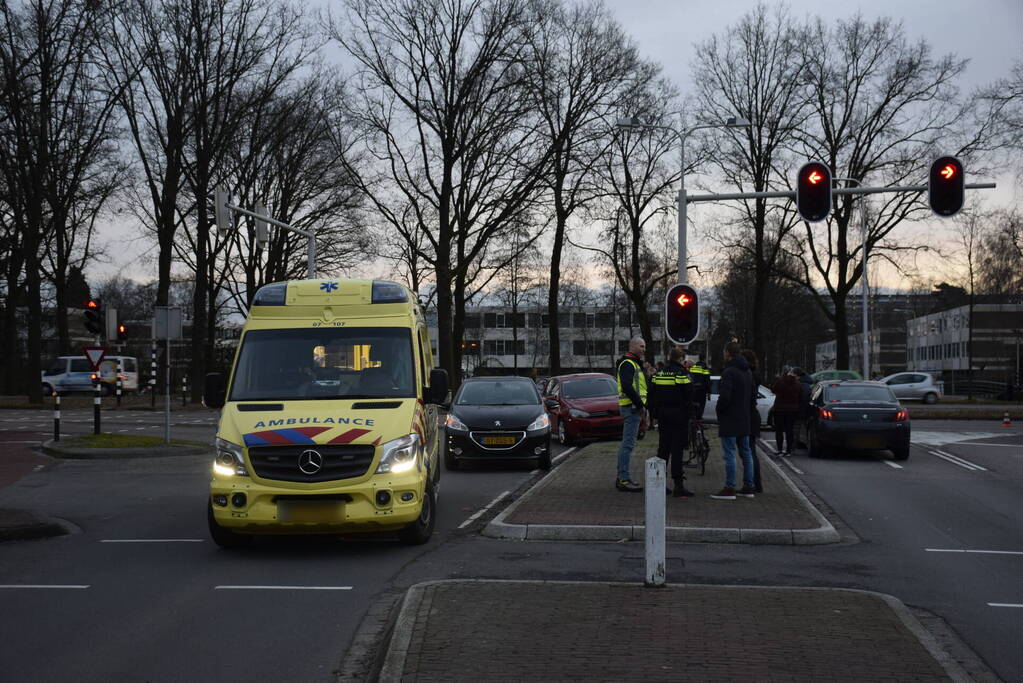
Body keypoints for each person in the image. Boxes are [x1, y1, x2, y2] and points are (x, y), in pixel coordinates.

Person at [711, 342, 756, 500]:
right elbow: (752, 396)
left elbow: (725, 396)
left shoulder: (729, 372)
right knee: (746, 453)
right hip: (744, 418)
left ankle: (730, 487)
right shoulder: (748, 371)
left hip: (730, 418)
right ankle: (749, 486)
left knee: (729, 453)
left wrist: (719, 410)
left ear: (728, 353)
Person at [649, 346, 695, 498]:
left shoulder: (659, 373)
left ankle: (659, 483)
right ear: (681, 359)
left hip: (663, 416)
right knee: (677, 451)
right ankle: (678, 486)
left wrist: (655, 413)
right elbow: (689, 395)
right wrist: (689, 413)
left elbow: (652, 394)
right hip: (679, 417)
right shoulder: (682, 374)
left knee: (663, 449)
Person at [614, 336, 648, 492]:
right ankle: (623, 479)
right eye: (641, 346)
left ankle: (622, 477)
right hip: (632, 408)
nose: (644, 349)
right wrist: (640, 405)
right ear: (632, 346)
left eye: (644, 346)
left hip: (633, 408)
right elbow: (627, 386)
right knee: (627, 444)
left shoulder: (633, 363)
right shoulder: (628, 364)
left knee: (627, 444)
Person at [740, 349, 764, 493]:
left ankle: (753, 483)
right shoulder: (754, 373)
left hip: (749, 417)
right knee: (750, 450)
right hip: (753, 416)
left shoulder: (749, 374)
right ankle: (756, 483)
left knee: (748, 452)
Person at [771, 369, 801, 456]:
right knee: (789, 430)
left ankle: (779, 449)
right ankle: (788, 450)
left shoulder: (780, 382)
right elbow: (800, 395)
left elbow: (773, 390)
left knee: (779, 430)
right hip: (792, 410)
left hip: (779, 409)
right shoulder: (797, 383)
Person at [791, 367, 815, 449]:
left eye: (793, 375)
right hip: (804, 410)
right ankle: (796, 444)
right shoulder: (806, 383)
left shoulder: (802, 385)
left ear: (797, 375)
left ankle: (793, 446)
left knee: (796, 428)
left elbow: (803, 399)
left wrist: (798, 409)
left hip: (800, 410)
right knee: (799, 428)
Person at [687, 356, 712, 422]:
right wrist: (709, 392)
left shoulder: (693, 367)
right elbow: (707, 381)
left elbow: (689, 378)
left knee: (694, 407)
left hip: (693, 391)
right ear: (704, 360)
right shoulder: (705, 368)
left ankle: (693, 422)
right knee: (701, 407)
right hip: (701, 391)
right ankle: (698, 422)